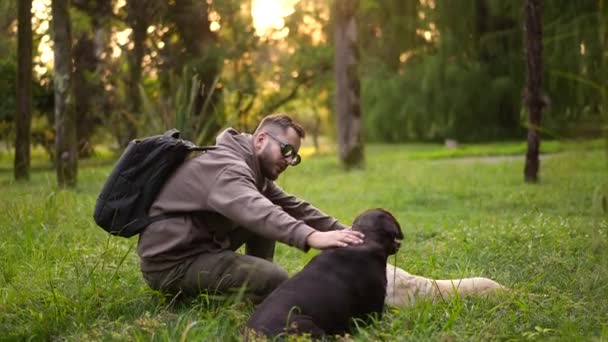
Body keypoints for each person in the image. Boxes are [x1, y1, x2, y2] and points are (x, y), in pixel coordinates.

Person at [137, 113, 364, 302]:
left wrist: (350, 234)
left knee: (273, 212)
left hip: (200, 246)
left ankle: (259, 288)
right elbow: (258, 211)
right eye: (286, 151)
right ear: (261, 140)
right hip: (171, 264)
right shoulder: (228, 167)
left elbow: (296, 207)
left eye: (294, 156)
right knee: (275, 278)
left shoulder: (253, 168)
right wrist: (312, 236)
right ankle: (261, 288)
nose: (289, 161)